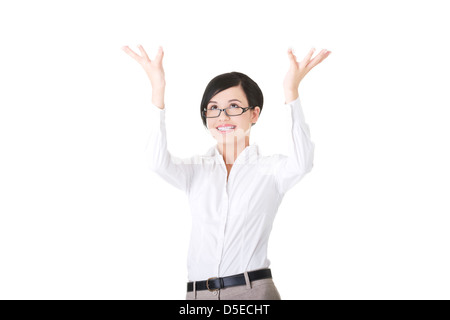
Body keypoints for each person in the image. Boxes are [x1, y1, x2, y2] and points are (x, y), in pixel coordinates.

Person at [122, 44, 331, 300]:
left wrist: (291, 93)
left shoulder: (271, 170)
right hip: (199, 295)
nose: (222, 117)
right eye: (213, 108)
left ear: (254, 114)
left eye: (233, 106)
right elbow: (156, 162)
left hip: (252, 292)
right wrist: (158, 89)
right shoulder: (196, 170)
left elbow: (303, 161)